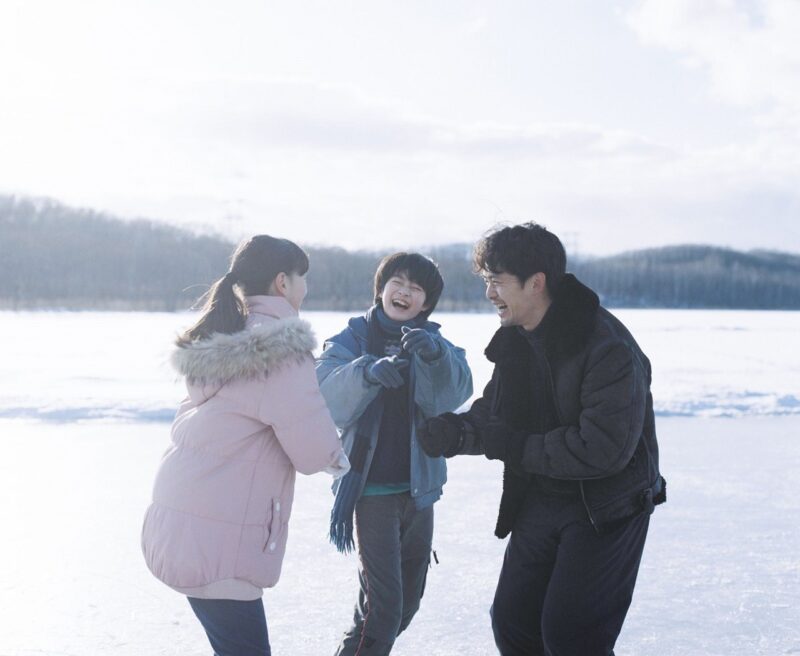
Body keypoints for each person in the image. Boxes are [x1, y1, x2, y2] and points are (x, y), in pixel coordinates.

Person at [418, 223, 666, 656]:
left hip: (606, 506)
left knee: (571, 636)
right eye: (486, 281)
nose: (489, 293)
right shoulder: (519, 338)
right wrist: (458, 433)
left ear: (537, 282)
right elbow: (499, 414)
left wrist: (512, 447)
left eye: (497, 282)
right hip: (544, 494)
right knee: (513, 623)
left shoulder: (607, 347)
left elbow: (602, 449)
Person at [141, 235, 349, 656]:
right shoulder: (280, 347)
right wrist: (342, 460)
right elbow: (312, 447)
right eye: (301, 278)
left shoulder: (224, 336)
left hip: (180, 522)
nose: (305, 289)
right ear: (282, 283)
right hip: (218, 542)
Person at [316, 252, 473, 656]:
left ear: (426, 303)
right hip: (371, 493)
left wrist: (434, 356)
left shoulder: (437, 344)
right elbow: (326, 396)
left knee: (404, 605)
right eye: (397, 282)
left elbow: (454, 393)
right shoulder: (351, 339)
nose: (404, 292)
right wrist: (367, 372)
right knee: (384, 611)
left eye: (416, 288)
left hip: (420, 492)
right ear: (381, 289)